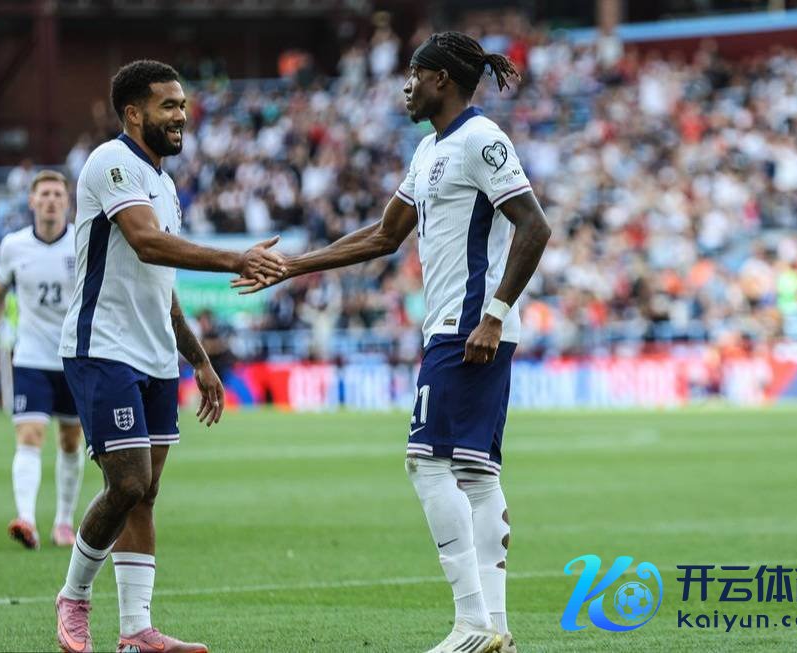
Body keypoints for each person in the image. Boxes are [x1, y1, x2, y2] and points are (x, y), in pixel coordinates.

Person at [235, 32, 550, 653]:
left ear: (441, 79)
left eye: (414, 74)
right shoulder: (430, 149)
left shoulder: (481, 139)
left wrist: (493, 315)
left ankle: (472, 624)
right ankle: (496, 630)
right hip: (452, 327)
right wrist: (294, 265)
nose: (406, 87)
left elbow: (534, 226)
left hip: (468, 327)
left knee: (425, 463)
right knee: (474, 474)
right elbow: (383, 236)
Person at [53, 60, 286, 653]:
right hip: (103, 346)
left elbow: (164, 287)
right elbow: (146, 242)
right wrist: (235, 259)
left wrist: (199, 360)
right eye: (169, 106)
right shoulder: (111, 162)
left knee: (147, 491)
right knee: (127, 482)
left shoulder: (164, 184)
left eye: (182, 105)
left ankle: (136, 630)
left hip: (156, 354)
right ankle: (74, 596)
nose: (181, 115)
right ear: (134, 113)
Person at [0, 170, 86, 551]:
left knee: (70, 439)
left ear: (67, 201)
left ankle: (64, 522)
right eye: (44, 194)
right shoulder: (14, 246)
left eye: (57, 194)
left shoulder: (82, 242)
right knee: (30, 434)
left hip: (74, 357)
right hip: (31, 356)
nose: (51, 200)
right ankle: (27, 520)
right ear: (32, 201)